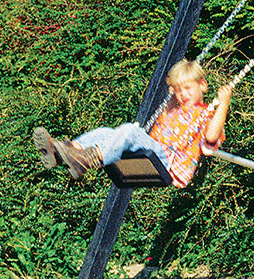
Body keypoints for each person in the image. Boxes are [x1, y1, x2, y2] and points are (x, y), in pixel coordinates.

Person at [32, 59, 232, 188]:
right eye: (179, 90)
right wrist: (173, 94)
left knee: (128, 131)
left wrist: (223, 104)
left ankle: (86, 160)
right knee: (104, 132)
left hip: (166, 163)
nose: (183, 94)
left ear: (203, 85)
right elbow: (172, 97)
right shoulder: (175, 107)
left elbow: (212, 136)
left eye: (188, 88)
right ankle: (63, 152)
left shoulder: (207, 114)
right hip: (153, 152)